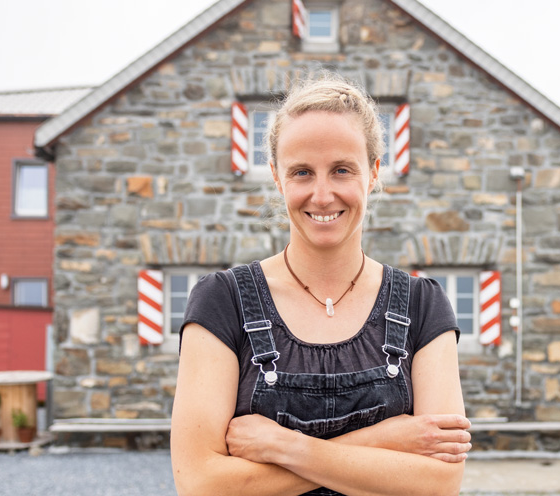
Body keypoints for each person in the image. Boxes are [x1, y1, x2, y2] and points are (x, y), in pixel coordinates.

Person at [171, 74, 471, 496]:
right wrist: (383, 439)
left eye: (342, 170)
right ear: (277, 178)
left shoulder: (423, 305)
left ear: (373, 173)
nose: (323, 194)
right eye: (302, 172)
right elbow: (201, 483)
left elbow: (439, 484)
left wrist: (283, 446)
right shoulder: (223, 301)